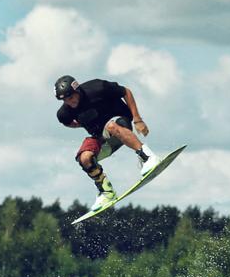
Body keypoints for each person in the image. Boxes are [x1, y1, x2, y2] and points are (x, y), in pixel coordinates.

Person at [54, 75, 160, 211]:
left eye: (71, 97)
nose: (70, 102)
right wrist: (86, 124)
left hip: (121, 124)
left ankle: (147, 157)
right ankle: (106, 192)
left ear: (77, 90)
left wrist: (137, 119)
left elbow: (126, 91)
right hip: (102, 137)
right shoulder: (64, 113)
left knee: (110, 126)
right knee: (84, 158)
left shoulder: (98, 88)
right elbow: (69, 123)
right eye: (65, 100)